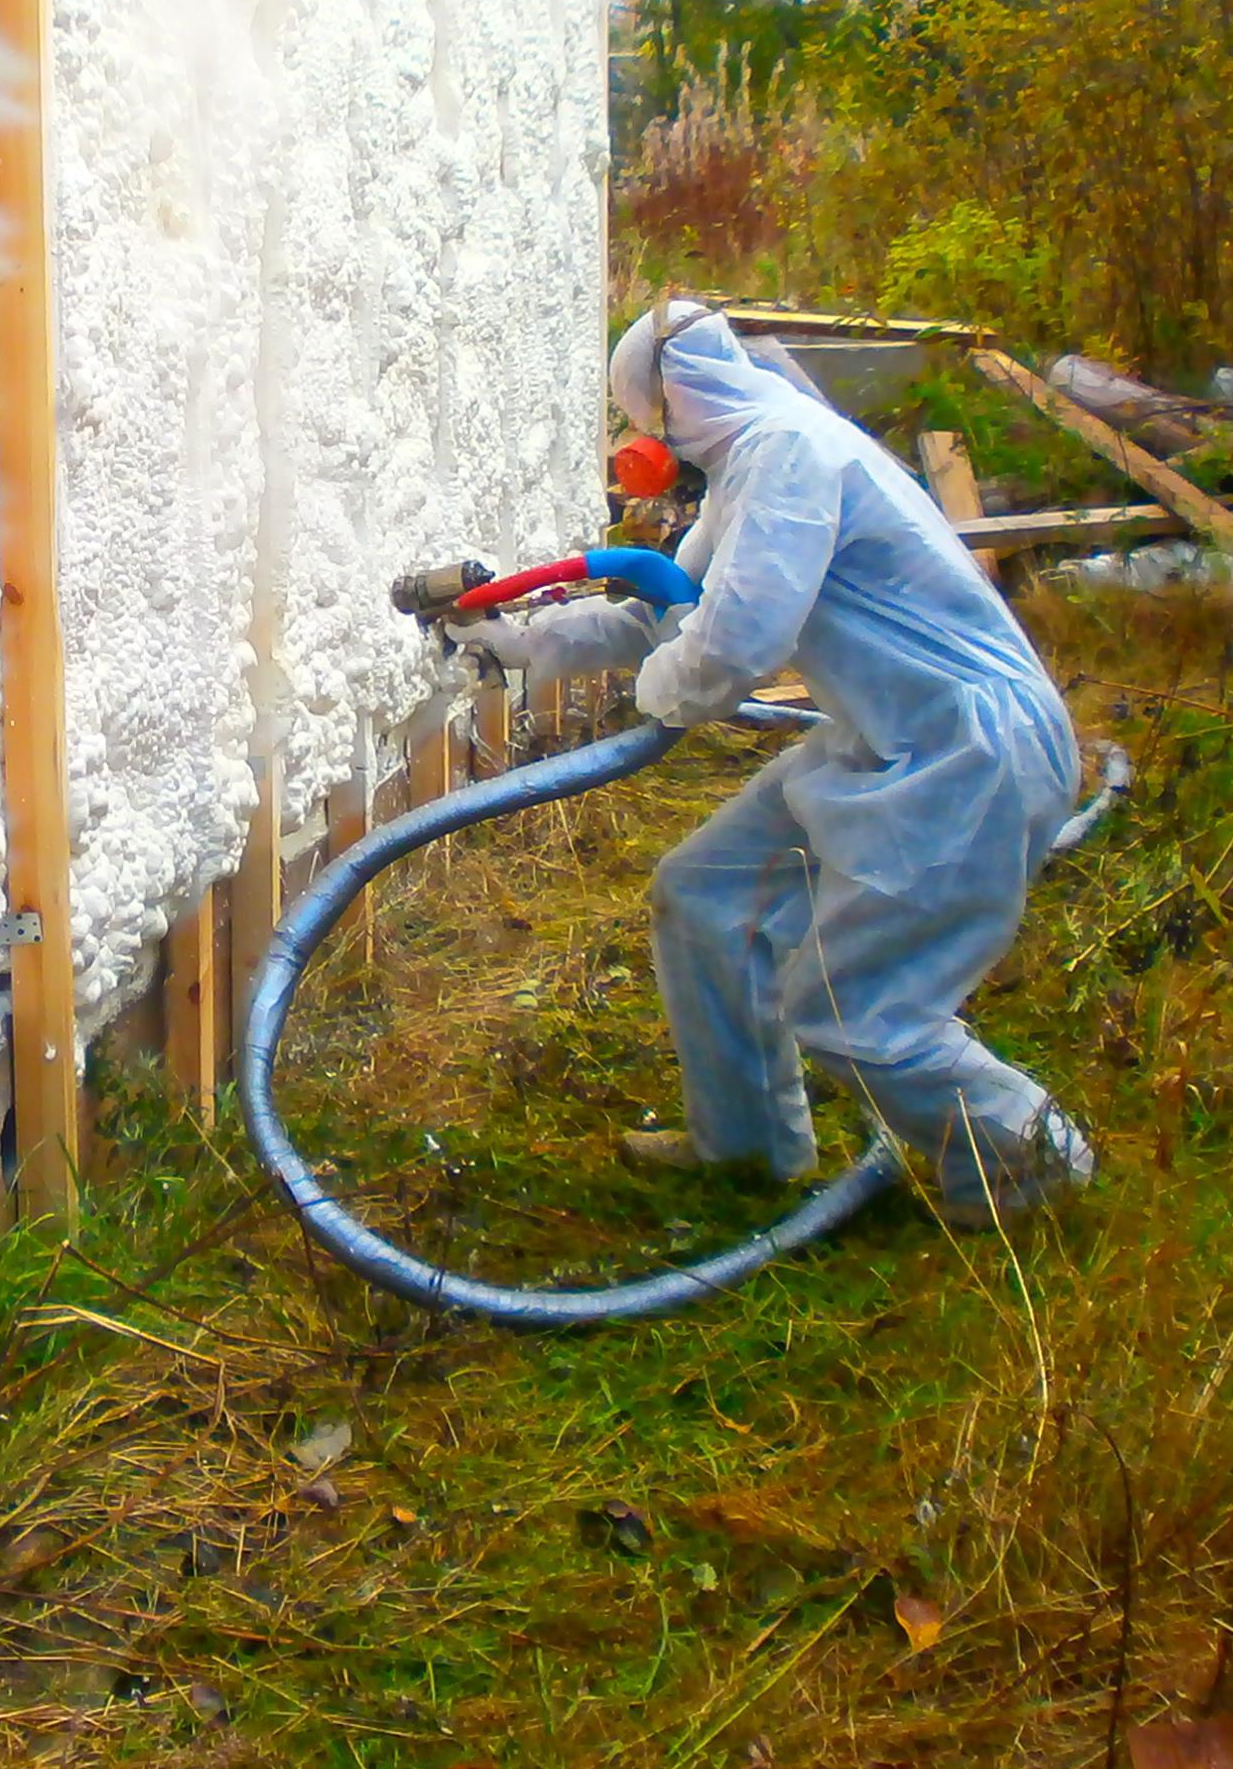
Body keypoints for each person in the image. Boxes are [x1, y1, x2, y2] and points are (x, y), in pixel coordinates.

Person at [460, 303, 1098, 1229]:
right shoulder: (752, 468)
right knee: (706, 899)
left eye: (644, 425)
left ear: (671, 403)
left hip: (968, 754)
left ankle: (1040, 1167)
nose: (646, 446)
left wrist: (656, 693)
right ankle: (747, 1149)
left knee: (858, 1012)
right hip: (886, 741)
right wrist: (524, 641)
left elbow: (730, 647)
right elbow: (677, 611)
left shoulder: (790, 455)